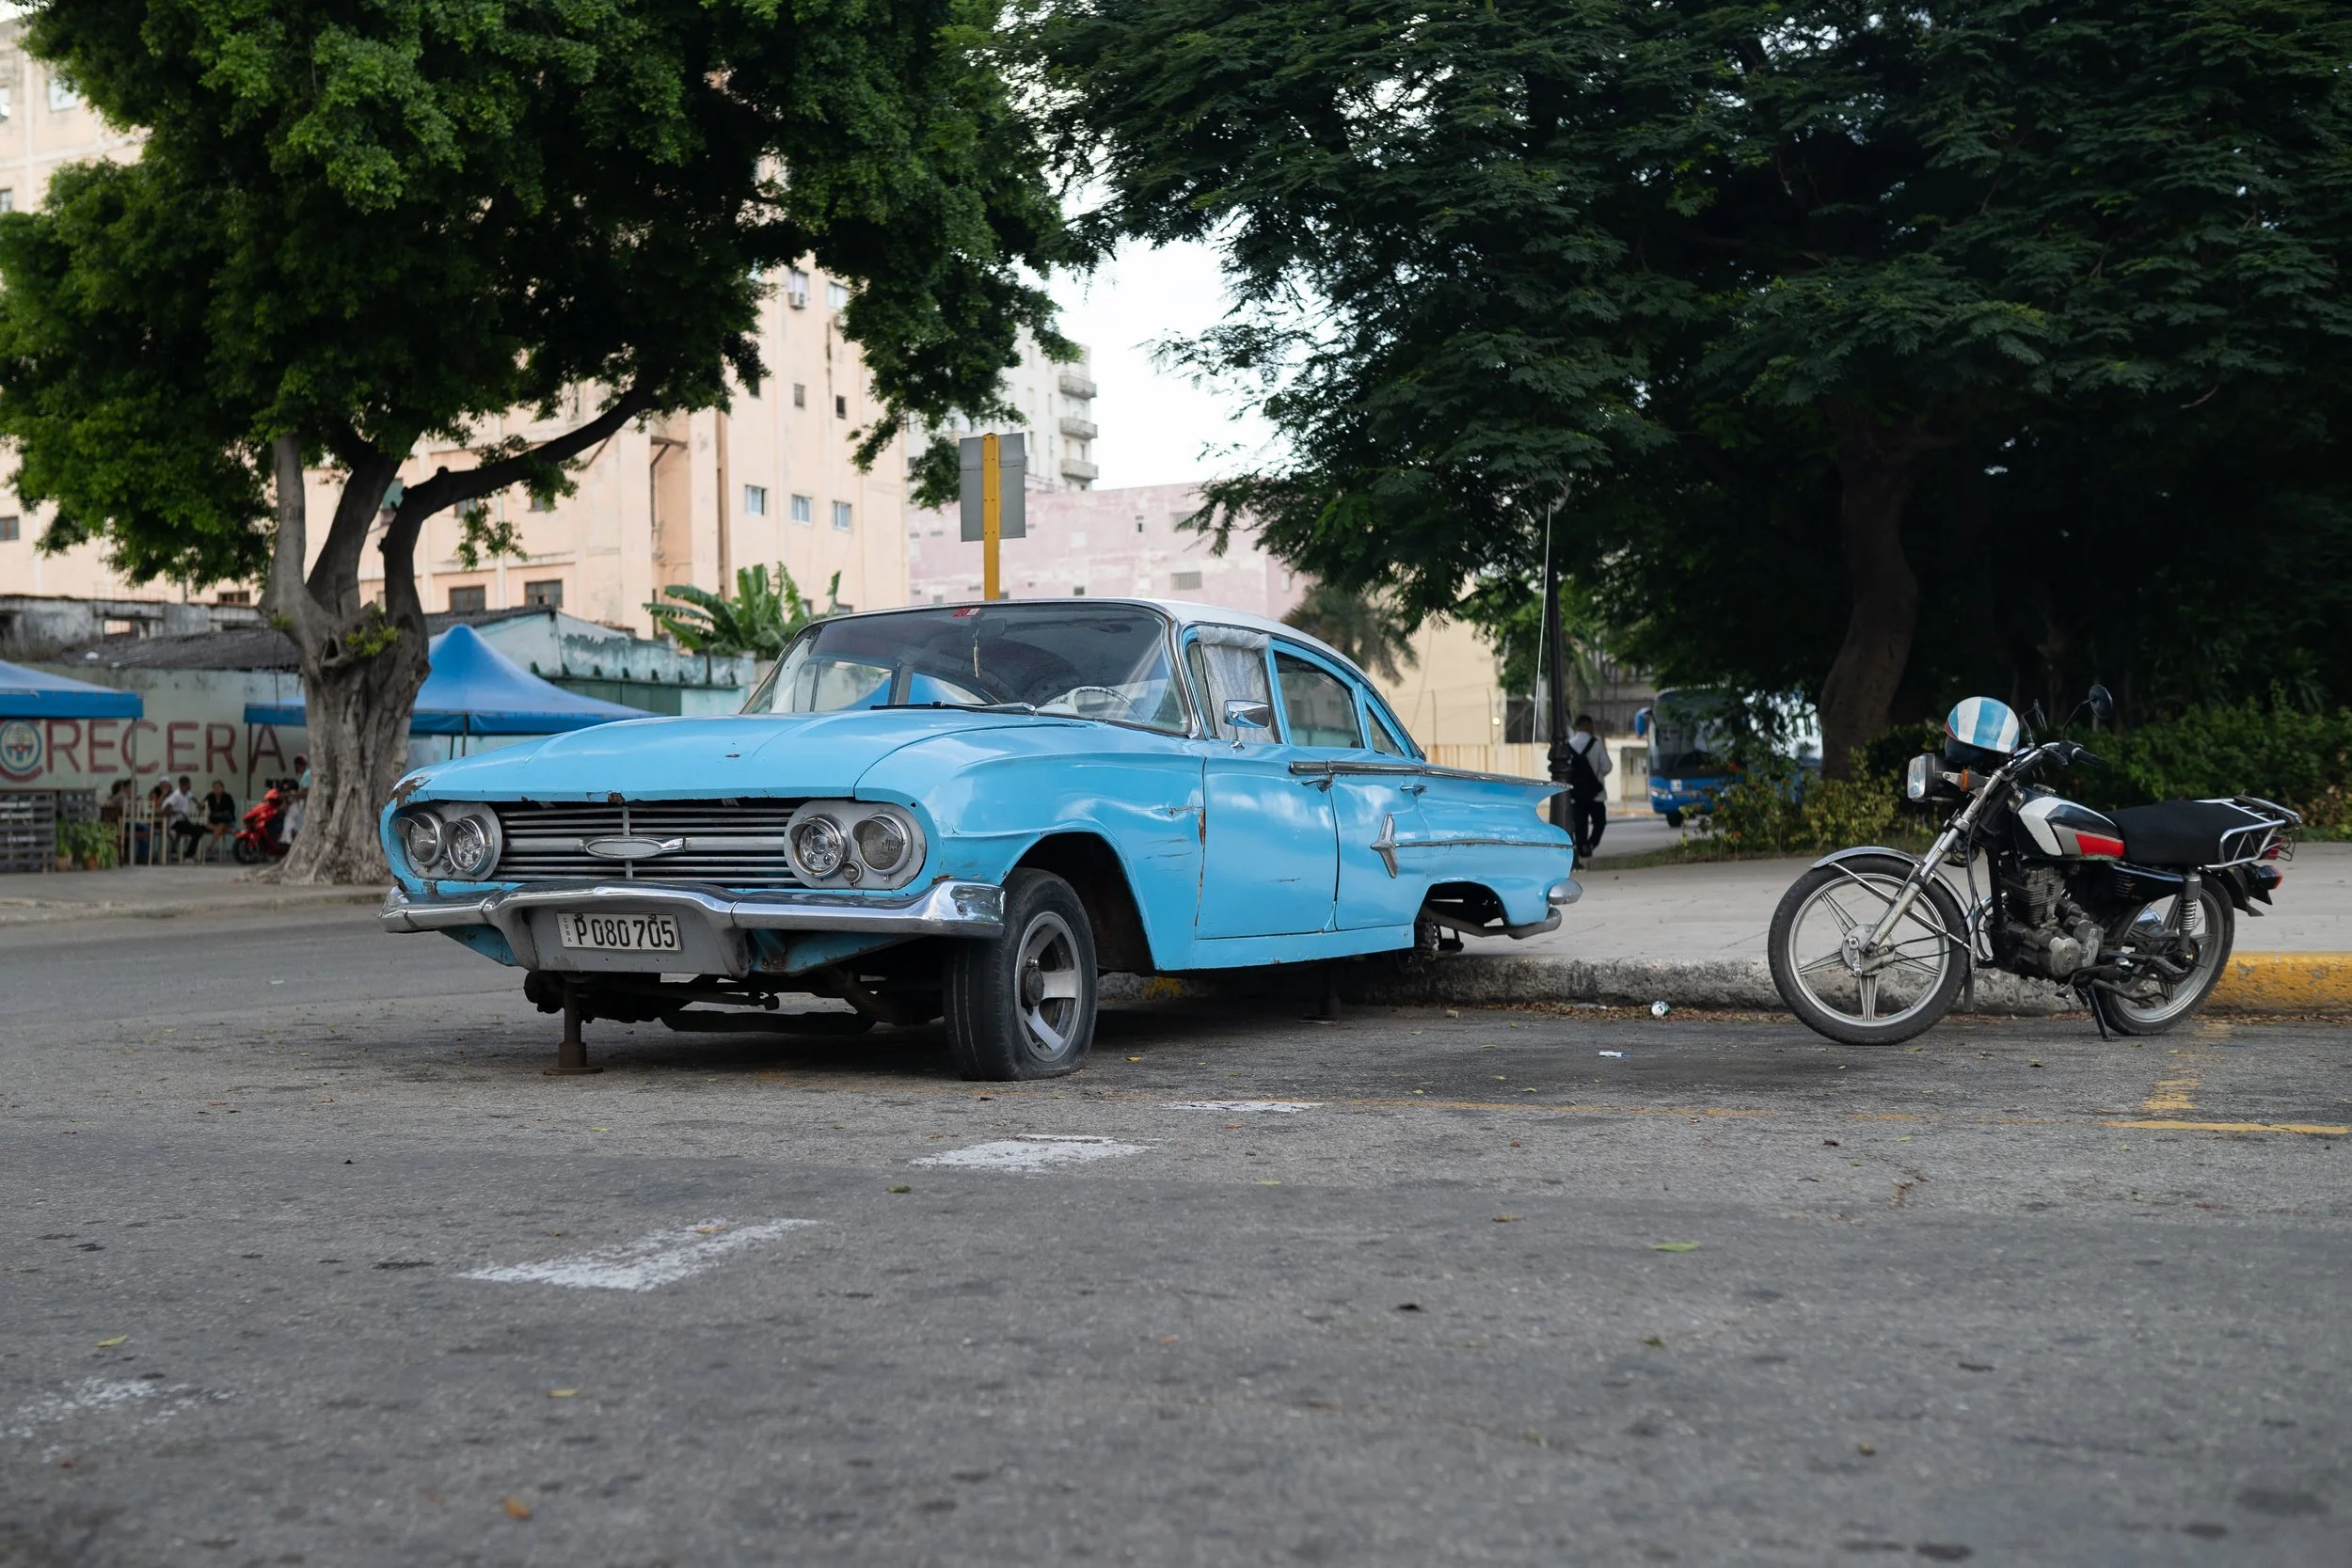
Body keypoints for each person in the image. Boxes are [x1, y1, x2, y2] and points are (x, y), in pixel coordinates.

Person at [1565, 713, 1613, 860]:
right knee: (1600, 821)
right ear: (1587, 725)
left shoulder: (1568, 745)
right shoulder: (1596, 743)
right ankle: (1591, 844)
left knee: (1580, 824)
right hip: (1595, 793)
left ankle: (1581, 850)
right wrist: (1596, 775)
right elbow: (1607, 766)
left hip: (1576, 794)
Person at [163, 775, 204, 862]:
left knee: (200, 829)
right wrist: (179, 812)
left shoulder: (186, 793)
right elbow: (166, 810)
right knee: (198, 831)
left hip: (182, 821)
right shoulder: (176, 795)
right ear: (185, 785)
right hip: (175, 823)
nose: (190, 787)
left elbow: (193, 798)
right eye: (189, 785)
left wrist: (199, 805)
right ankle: (188, 855)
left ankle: (187, 854)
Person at [202, 780, 237, 863]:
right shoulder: (210, 796)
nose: (216, 789)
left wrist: (219, 814)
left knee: (221, 825)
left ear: (222, 788)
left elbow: (230, 811)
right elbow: (203, 804)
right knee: (211, 826)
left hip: (228, 821)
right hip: (215, 821)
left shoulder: (227, 797)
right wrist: (202, 804)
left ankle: (211, 847)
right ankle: (233, 832)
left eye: (218, 787)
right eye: (215, 788)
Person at [284, 754, 311, 841]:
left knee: (296, 832)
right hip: (303, 809)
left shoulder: (307, 775)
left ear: (297, 765)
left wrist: (290, 795)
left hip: (306, 809)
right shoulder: (306, 774)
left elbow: (306, 792)